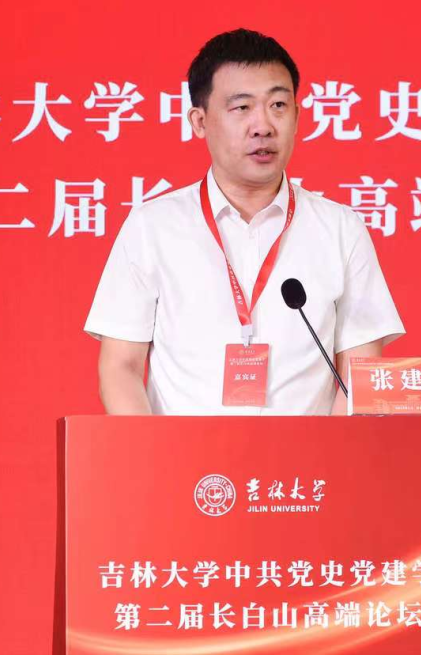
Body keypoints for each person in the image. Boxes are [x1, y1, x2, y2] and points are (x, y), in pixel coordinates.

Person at [84, 28, 404, 415]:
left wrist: (331, 453)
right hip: (184, 455)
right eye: (242, 108)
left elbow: (360, 374)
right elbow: (120, 368)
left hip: (306, 455)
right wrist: (152, 453)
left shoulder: (340, 229)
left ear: (297, 117)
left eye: (278, 105)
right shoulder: (152, 227)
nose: (263, 126)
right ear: (199, 121)